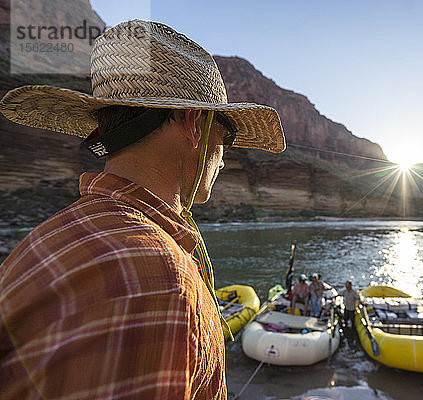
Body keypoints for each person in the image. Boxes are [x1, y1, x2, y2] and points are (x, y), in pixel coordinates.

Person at [0, 20, 285, 400]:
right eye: (227, 135)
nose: (224, 157)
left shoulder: (44, 238)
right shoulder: (165, 281)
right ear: (193, 123)